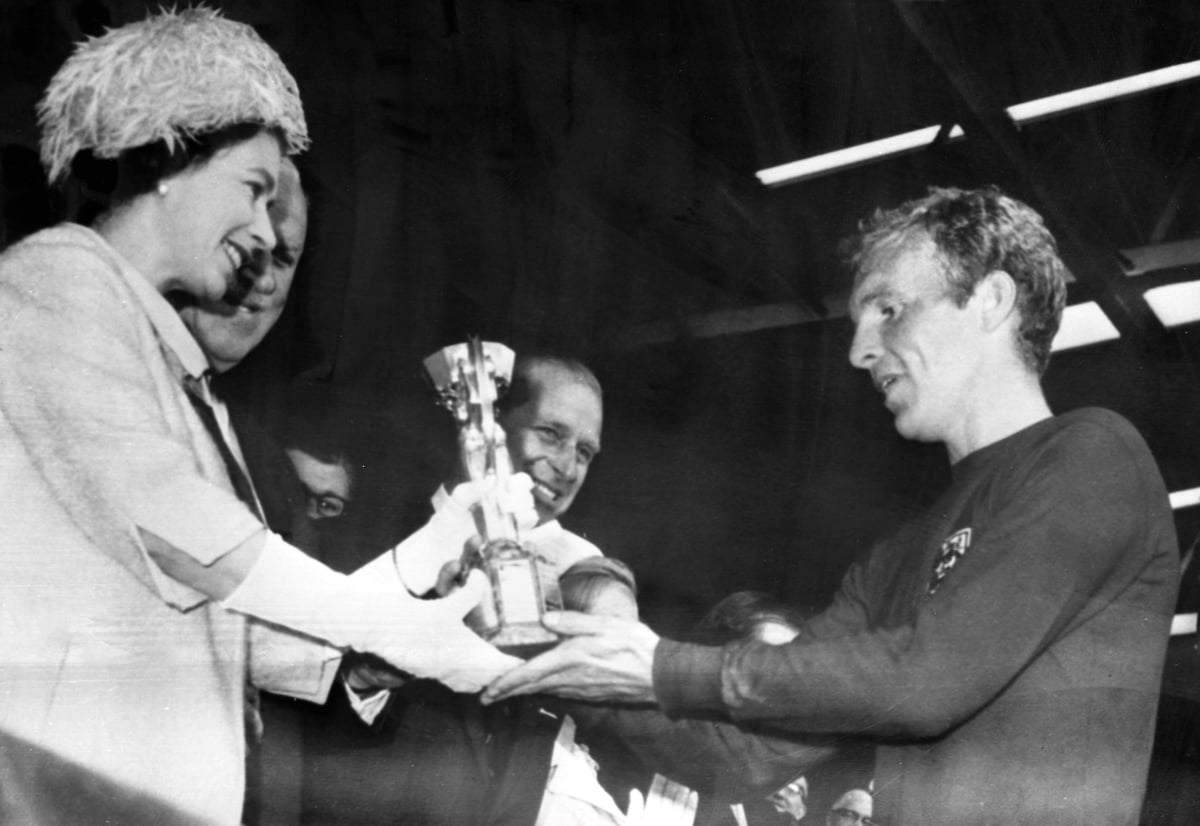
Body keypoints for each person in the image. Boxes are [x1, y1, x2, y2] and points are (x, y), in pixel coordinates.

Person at [484, 186, 1181, 826]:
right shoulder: (895, 557)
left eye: (888, 309)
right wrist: (560, 662)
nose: (858, 350)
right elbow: (743, 754)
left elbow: (927, 679)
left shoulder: (1092, 455)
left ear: (991, 301)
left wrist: (661, 665)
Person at [0, 10, 521, 824]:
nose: (260, 234)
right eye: (252, 190)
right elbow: (173, 527)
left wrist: (427, 569)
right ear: (162, 157)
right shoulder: (56, 278)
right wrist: (390, 626)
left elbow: (234, 621)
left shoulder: (175, 371)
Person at [301, 353, 618, 825]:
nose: (568, 467)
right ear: (485, 424)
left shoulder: (563, 580)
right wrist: (363, 679)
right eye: (550, 433)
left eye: (585, 452)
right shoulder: (366, 534)